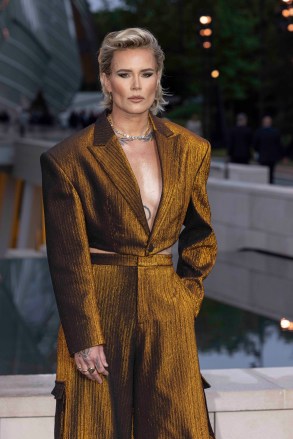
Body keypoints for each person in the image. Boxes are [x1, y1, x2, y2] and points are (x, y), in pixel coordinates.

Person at [40, 28, 217, 439]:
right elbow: (67, 257)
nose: (136, 86)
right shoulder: (69, 159)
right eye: (124, 74)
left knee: (179, 425)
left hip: (166, 305)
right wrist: (84, 337)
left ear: (158, 78)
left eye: (146, 73)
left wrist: (185, 296)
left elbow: (200, 233)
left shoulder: (192, 149)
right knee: (99, 426)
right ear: (105, 80)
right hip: (101, 304)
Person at [253, 115, 283, 184]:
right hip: (272, 157)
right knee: (271, 174)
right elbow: (279, 145)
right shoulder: (275, 132)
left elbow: (255, 145)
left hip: (263, 156)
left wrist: (257, 151)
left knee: (262, 174)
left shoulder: (259, 132)